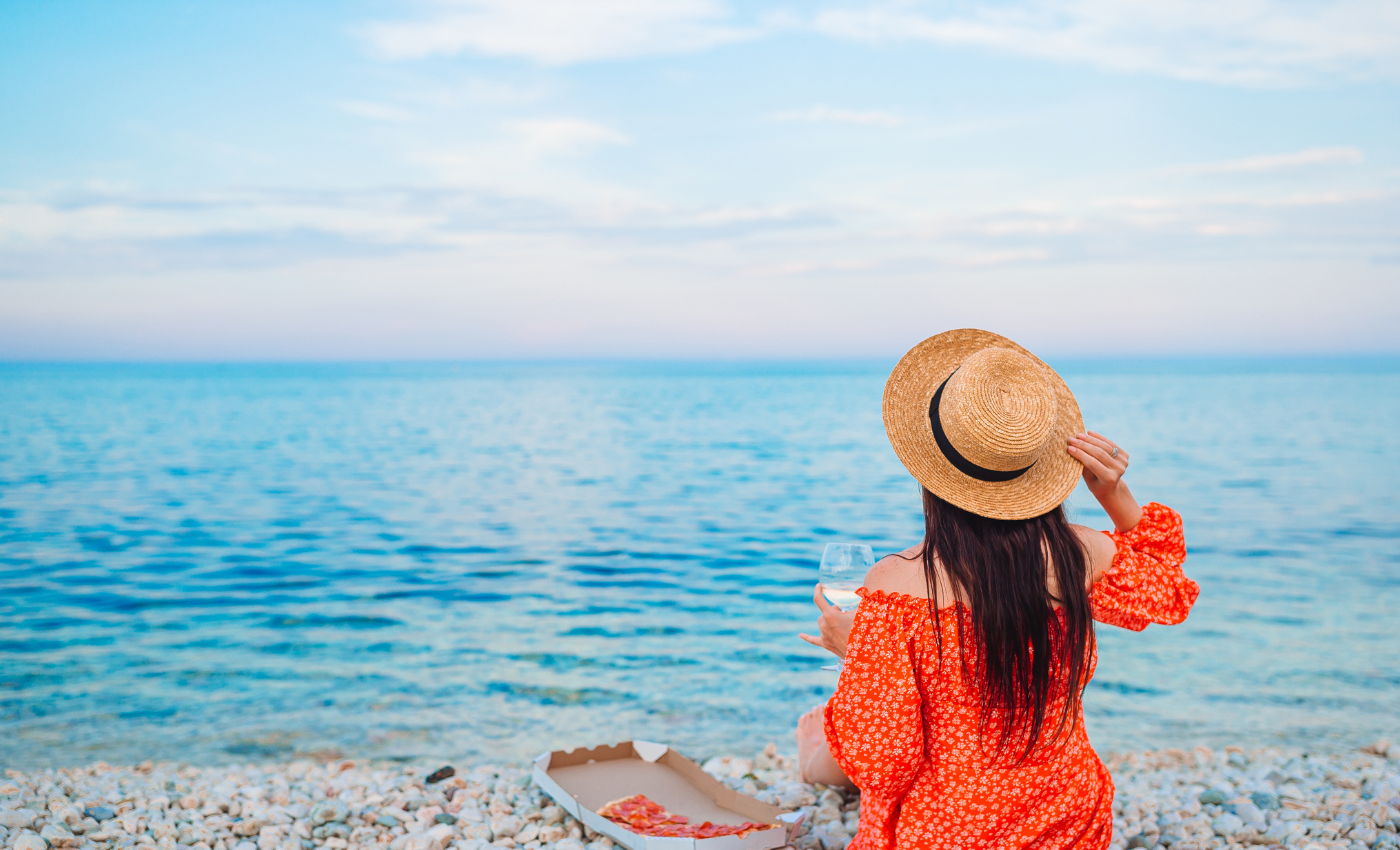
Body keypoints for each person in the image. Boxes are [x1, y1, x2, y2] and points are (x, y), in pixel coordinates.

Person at [795, 329, 1199, 850]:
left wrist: (859, 655)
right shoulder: (1081, 555)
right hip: (1066, 823)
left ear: (930, 469)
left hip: (944, 834)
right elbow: (1169, 594)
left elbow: (885, 764)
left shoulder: (895, 583)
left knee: (830, 748)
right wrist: (1116, 495)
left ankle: (809, 763)